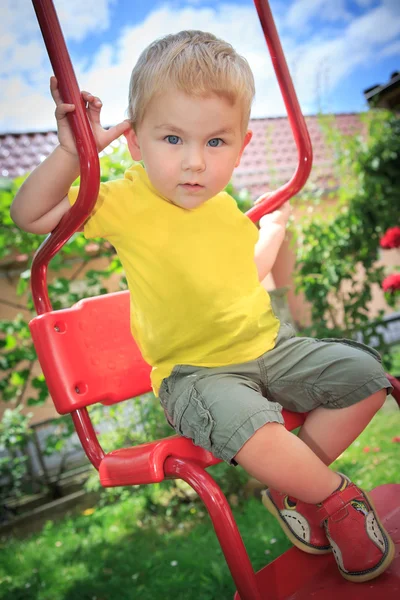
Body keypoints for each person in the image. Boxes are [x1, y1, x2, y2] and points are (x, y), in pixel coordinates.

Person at [11, 30, 394, 582]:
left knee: (365, 377)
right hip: (195, 375)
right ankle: (334, 500)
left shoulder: (223, 209)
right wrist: (74, 156)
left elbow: (247, 273)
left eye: (216, 143)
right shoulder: (123, 199)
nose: (194, 162)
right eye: (173, 138)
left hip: (270, 349)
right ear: (136, 142)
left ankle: (294, 491)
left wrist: (275, 229)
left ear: (240, 148)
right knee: (253, 425)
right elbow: (31, 214)